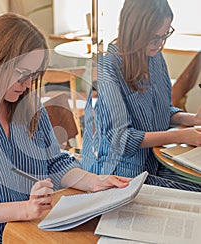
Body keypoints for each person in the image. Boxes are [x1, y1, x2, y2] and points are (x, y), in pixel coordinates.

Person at [0, 13, 131, 243]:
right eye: (23, 74)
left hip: (29, 232)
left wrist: (94, 181)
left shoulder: (28, 107)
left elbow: (54, 162)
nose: (26, 86)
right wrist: (26, 209)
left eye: (34, 76)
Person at [81, 0, 201, 191]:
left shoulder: (154, 57)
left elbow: (161, 111)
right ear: (134, 31)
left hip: (152, 164)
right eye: (154, 38)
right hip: (115, 173)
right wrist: (180, 135)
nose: (160, 44)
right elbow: (119, 139)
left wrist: (193, 119)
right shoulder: (106, 68)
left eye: (165, 35)